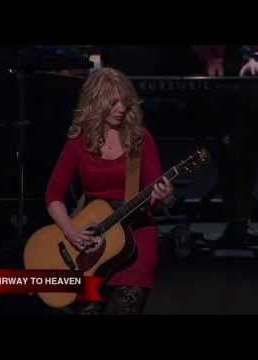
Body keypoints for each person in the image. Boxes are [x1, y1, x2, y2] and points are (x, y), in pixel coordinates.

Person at [45, 67, 175, 314]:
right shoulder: (78, 143)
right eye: (112, 102)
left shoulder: (139, 140)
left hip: (135, 241)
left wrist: (165, 195)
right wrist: (71, 232)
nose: (120, 109)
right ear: (95, 102)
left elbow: (161, 198)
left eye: (123, 102)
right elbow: (53, 195)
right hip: (90, 245)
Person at [192, 45, 258, 247]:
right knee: (225, 148)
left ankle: (240, 222)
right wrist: (210, 57)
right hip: (225, 74)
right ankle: (238, 222)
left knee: (249, 147)